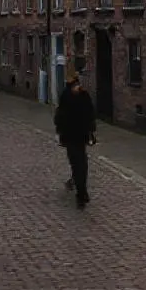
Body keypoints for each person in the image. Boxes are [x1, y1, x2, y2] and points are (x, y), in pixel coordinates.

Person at [54, 71, 96, 209]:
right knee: (81, 164)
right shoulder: (82, 95)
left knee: (78, 164)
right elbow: (90, 114)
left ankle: (81, 193)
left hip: (72, 136)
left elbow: (59, 117)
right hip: (79, 136)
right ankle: (81, 191)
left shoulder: (66, 96)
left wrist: (59, 132)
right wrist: (91, 130)